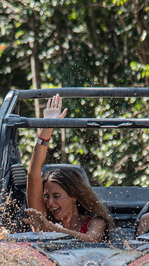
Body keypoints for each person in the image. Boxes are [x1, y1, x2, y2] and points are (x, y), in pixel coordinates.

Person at [25, 94, 112, 242]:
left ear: (74, 196)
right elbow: (33, 174)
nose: (50, 203)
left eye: (56, 196)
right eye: (47, 197)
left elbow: (90, 240)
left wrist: (54, 229)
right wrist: (47, 128)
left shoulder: (95, 222)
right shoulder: (43, 219)